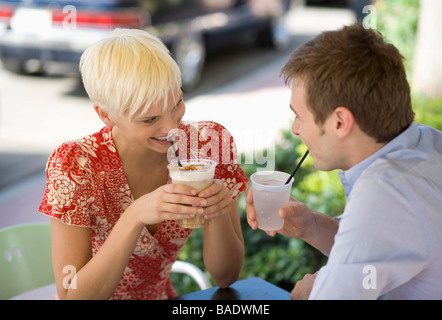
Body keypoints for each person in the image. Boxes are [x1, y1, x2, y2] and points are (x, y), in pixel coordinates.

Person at [38, 28, 248, 300]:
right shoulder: (75, 165)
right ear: (106, 115)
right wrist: (134, 215)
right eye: (149, 120)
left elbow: (225, 277)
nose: (173, 128)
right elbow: (71, 296)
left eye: (177, 104)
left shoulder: (208, 143)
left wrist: (219, 208)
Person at [246, 24, 442, 299]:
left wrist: (307, 295)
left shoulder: (385, 193)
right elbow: (379, 247)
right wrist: (311, 225)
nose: (296, 129)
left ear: (340, 122)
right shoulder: (429, 142)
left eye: (300, 116)